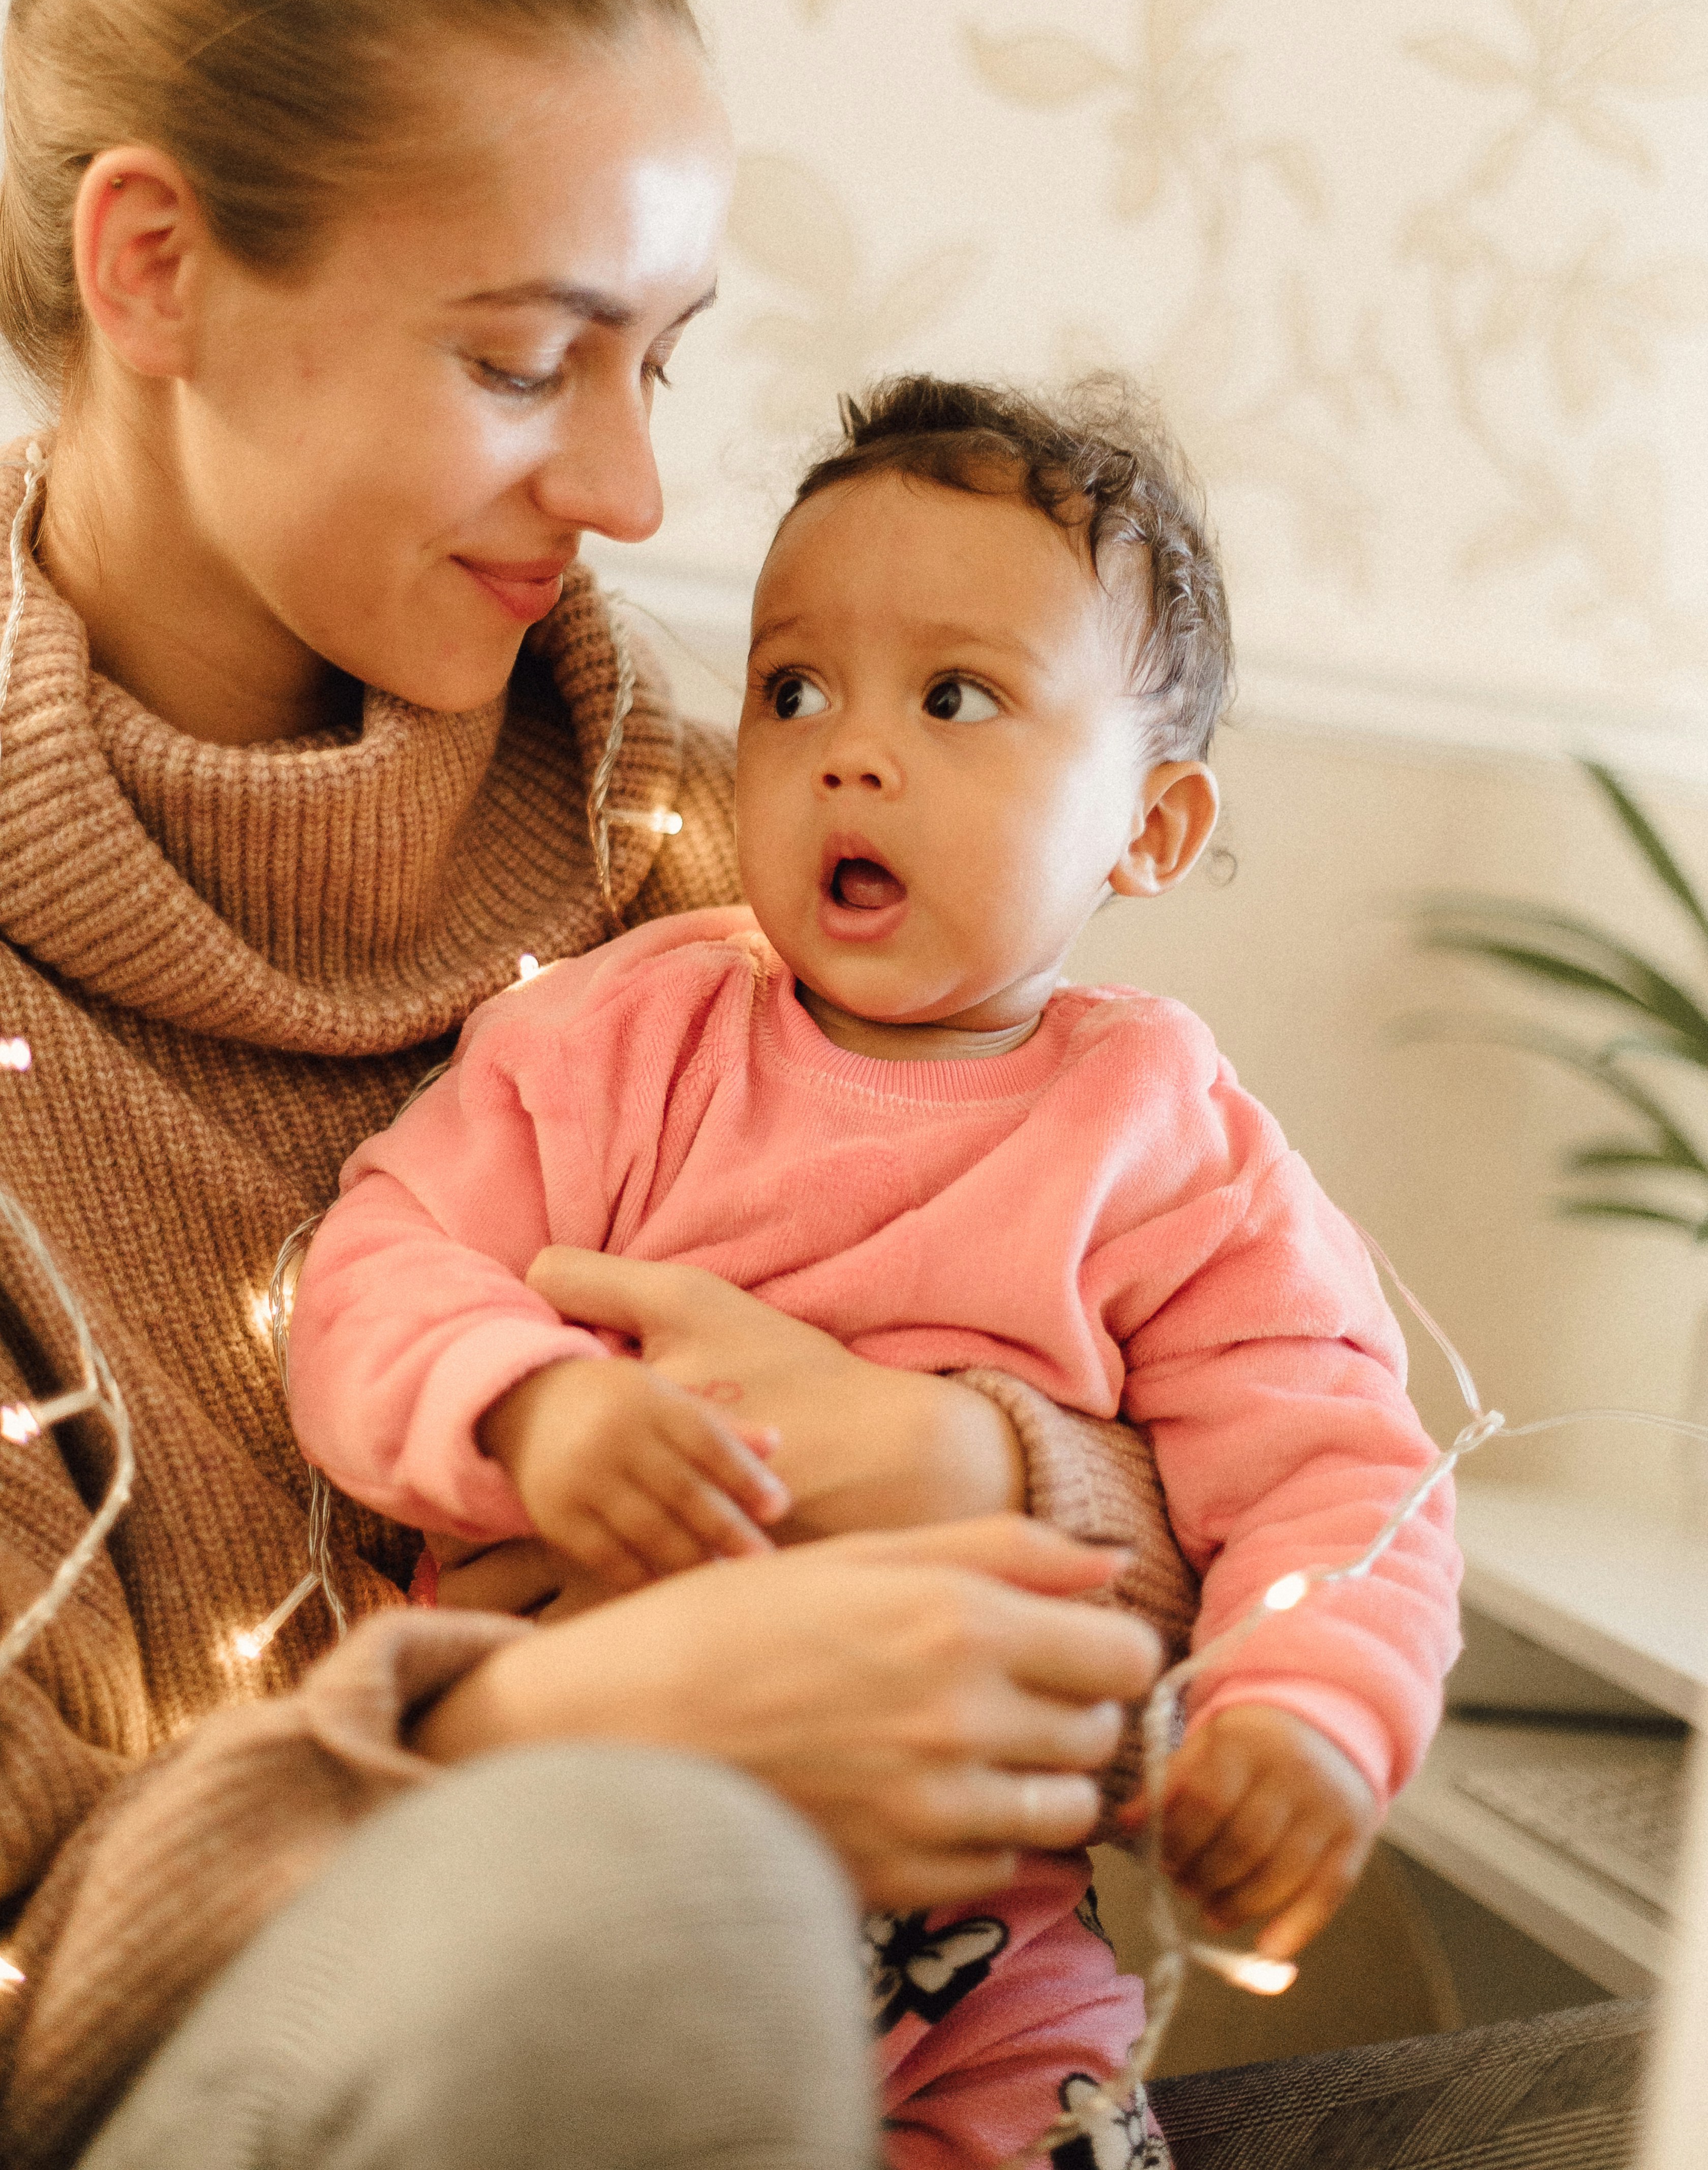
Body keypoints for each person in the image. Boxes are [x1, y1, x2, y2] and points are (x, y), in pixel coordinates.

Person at [0, 0, 1648, 2170]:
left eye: (666, 359)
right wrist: (548, 1736)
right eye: (531, 359)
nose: (645, 496)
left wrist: (977, 1479)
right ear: (155, 272)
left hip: (966, 2060)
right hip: (333, 2044)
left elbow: (1290, 1438)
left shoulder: (725, 823)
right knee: (649, 1904)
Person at [287, 374, 1458, 2169]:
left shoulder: (1166, 1137)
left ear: (1149, 829)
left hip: (980, 1950)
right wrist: (529, 1402)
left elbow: (1341, 1482)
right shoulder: (629, 1031)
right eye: (792, 687)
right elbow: (383, 1262)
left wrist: (1298, 1723)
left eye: (958, 696)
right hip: (579, 1863)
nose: (848, 746)